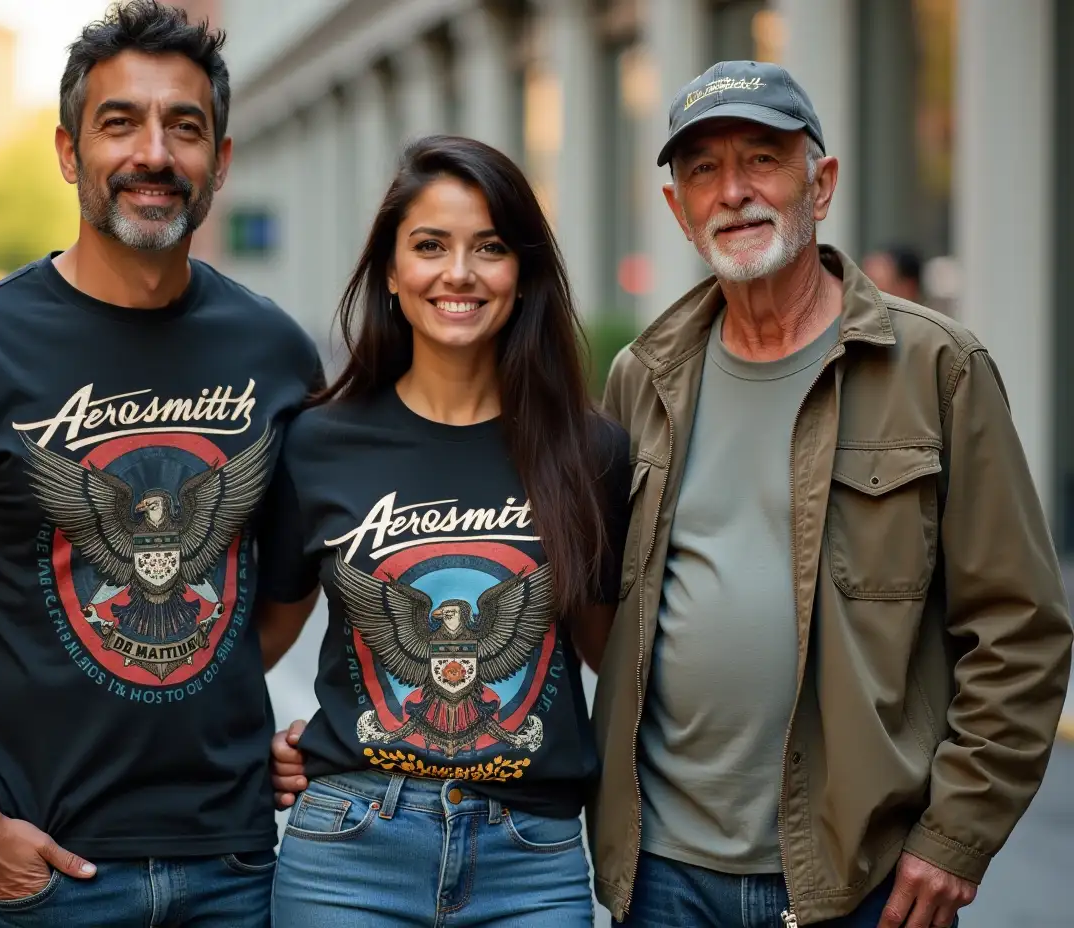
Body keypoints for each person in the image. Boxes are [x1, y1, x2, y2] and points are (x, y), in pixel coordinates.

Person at [0, 3, 320, 926]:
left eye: (184, 127)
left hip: (234, 865)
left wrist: (194, 671)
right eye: (121, 123)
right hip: (39, 874)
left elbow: (283, 584)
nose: (154, 153)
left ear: (219, 162)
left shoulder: (277, 352)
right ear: (70, 154)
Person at [591, 60, 1073, 928]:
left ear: (823, 181)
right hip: (662, 874)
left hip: (863, 880)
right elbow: (591, 607)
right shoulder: (642, 378)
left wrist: (956, 834)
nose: (733, 191)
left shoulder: (937, 368)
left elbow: (1020, 630)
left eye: (763, 159)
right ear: (677, 209)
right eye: (702, 170)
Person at [259, 135, 631, 926]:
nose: (458, 273)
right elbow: (256, 637)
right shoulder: (319, 442)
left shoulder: (589, 450)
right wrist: (238, 748)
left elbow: (615, 657)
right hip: (348, 849)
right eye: (430, 246)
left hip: (530, 860)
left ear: (522, 273)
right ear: (392, 273)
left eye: (489, 247)